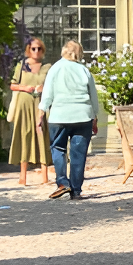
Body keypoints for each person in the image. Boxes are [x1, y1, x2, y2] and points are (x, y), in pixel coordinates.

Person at [38, 40, 101, 200]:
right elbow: (93, 96)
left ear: (63, 51)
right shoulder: (84, 70)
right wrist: (94, 116)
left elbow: (47, 94)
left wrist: (41, 113)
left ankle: (62, 183)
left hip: (59, 116)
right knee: (78, 154)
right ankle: (76, 190)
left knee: (58, 148)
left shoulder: (55, 68)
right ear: (79, 53)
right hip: (83, 116)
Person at [8, 37, 53, 186]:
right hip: (24, 104)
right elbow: (13, 85)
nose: (36, 51)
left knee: (42, 134)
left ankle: (45, 176)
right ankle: (22, 177)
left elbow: (53, 86)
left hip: (40, 104)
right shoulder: (22, 65)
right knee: (24, 135)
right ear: (28, 49)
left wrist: (43, 89)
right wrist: (25, 88)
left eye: (39, 48)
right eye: (33, 48)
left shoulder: (47, 67)